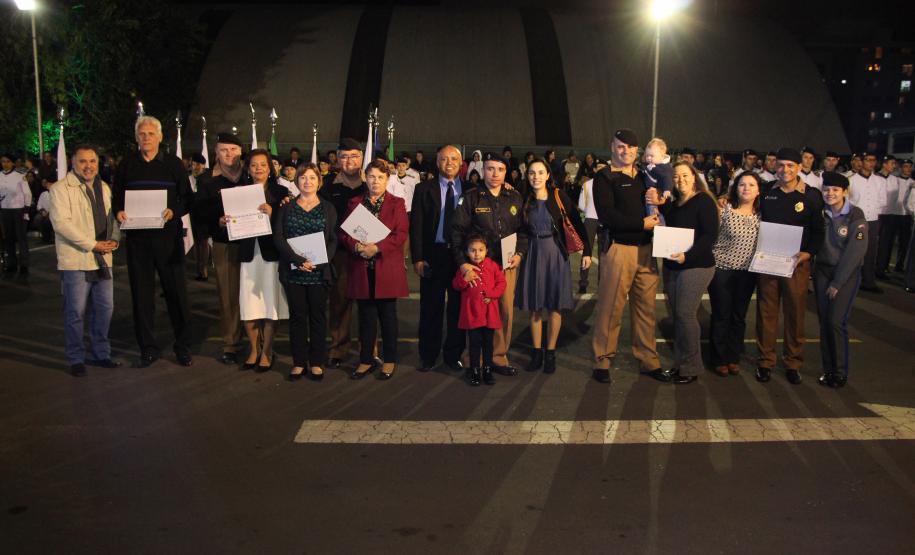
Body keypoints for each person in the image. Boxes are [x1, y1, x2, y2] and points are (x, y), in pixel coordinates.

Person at [113, 116, 193, 368]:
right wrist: (118, 212)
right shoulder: (127, 165)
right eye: (142, 134)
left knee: (176, 293)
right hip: (138, 240)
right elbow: (116, 198)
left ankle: (183, 346)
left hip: (168, 239)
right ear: (136, 138)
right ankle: (147, 347)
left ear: (160, 137)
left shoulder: (173, 164)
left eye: (150, 133)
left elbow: (187, 198)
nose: (146, 138)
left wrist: (174, 211)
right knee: (142, 295)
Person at [590, 129, 662, 384]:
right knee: (611, 309)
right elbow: (607, 215)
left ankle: (649, 360)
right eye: (621, 146)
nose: (626, 151)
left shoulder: (644, 176)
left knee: (646, 310)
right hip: (619, 249)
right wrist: (641, 224)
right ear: (612, 147)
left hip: (646, 250)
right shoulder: (604, 177)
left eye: (631, 147)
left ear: (637, 150)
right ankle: (602, 360)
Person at [450, 152, 527, 376]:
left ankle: (498, 357)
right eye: (490, 169)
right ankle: (474, 358)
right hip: (478, 266)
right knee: (476, 311)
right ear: (483, 170)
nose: (495, 174)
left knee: (504, 311)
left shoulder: (514, 197)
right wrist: (463, 264)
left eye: (500, 169)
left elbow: (523, 230)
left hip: (506, 265)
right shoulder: (471, 197)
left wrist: (520, 254)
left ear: (506, 172)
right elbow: (456, 232)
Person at [49, 145, 121, 377]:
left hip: (103, 258)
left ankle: (101, 353)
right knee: (75, 312)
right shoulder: (60, 189)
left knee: (105, 309)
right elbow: (62, 224)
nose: (88, 166)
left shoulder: (104, 187)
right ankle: (76, 358)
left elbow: (111, 218)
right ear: (73, 163)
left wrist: (114, 239)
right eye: (83, 161)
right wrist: (92, 244)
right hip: (77, 260)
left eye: (92, 161)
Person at [755, 148, 825, 384]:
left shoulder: (811, 195)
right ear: (775, 166)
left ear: (799, 167)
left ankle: (793, 363)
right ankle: (765, 361)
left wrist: (809, 253)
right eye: (781, 165)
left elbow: (818, 230)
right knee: (766, 313)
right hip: (768, 261)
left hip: (796, 263)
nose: (785, 170)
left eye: (790, 165)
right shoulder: (766, 191)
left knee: (795, 314)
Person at [646, 162, 719, 384]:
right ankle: (681, 364)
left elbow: (710, 236)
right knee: (678, 316)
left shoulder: (704, 201)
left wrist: (688, 256)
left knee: (685, 315)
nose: (680, 180)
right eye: (676, 177)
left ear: (694, 177)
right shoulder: (674, 204)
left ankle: (691, 367)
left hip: (696, 265)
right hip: (673, 265)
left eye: (685, 175)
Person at [516, 158, 591, 373]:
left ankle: (550, 352)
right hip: (533, 254)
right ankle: (536, 352)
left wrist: (587, 251)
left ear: (548, 175)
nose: (536, 177)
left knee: (554, 307)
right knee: (535, 307)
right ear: (527, 176)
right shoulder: (524, 199)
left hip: (556, 254)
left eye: (541, 172)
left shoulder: (559, 196)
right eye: (532, 173)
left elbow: (577, 222)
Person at [340, 160, 409, 380]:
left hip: (385, 266)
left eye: (380, 177)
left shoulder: (397, 203)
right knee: (366, 317)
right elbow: (344, 233)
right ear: (365, 177)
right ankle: (366, 359)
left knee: (388, 316)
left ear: (387, 179)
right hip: (362, 267)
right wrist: (356, 246)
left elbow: (401, 234)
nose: (375, 181)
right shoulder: (355, 203)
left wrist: (377, 248)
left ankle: (389, 359)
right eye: (371, 177)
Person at [411, 145, 474, 372]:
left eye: (454, 159)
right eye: (444, 159)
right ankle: (428, 355)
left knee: (457, 308)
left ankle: (453, 355)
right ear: (437, 163)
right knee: (430, 308)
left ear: (461, 163)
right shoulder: (423, 189)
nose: (449, 163)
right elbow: (416, 225)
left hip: (460, 257)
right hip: (433, 256)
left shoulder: (471, 190)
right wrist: (418, 258)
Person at [274, 163, 337, 381]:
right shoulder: (287, 207)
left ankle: (317, 362)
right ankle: (299, 362)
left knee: (318, 317)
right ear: (297, 181)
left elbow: (333, 239)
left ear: (319, 181)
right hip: (294, 271)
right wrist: (297, 260)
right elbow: (278, 237)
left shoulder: (328, 208)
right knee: (297, 317)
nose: (307, 181)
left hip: (319, 272)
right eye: (303, 177)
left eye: (312, 177)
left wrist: (319, 262)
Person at [193, 132, 250, 364]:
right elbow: (198, 212)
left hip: (253, 243)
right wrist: (216, 220)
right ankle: (231, 343)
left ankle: (258, 341)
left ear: (241, 152)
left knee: (255, 293)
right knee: (228, 296)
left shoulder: (250, 174)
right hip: (224, 243)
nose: (229, 154)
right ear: (216, 153)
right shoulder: (206, 179)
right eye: (224, 150)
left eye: (234, 149)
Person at [235, 149, 290, 371]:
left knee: (269, 304)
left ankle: (267, 351)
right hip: (248, 254)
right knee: (249, 304)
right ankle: (253, 350)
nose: (258, 168)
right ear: (248, 169)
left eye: (263, 164)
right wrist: (227, 220)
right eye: (254, 165)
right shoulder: (239, 192)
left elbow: (288, 224)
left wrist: (273, 212)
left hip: (271, 255)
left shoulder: (281, 192)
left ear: (270, 168)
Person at [814, 172, 867, 388]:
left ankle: (840, 372)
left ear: (845, 192)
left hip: (845, 274)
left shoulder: (855, 214)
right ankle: (828, 370)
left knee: (836, 321)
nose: (830, 193)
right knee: (824, 322)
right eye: (826, 189)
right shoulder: (820, 212)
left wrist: (837, 283)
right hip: (822, 271)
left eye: (835, 190)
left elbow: (855, 252)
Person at [707, 171, 761, 377]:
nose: (746, 188)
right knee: (721, 314)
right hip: (722, 270)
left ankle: (733, 356)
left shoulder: (762, 214)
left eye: (751, 185)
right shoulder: (724, 209)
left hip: (747, 273)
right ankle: (719, 358)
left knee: (739, 316)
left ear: (758, 191)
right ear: (735, 188)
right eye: (742, 184)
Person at [319, 138, 367, 368]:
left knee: (369, 303)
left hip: (367, 251)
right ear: (337, 159)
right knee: (339, 302)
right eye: (344, 157)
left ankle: (369, 348)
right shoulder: (327, 186)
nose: (349, 161)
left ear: (362, 158)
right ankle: (338, 347)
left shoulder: (372, 182)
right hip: (339, 252)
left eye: (354, 156)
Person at [453, 234, 506, 386]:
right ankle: (475, 370)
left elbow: (502, 283)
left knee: (488, 343)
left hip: (489, 312)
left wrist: (491, 294)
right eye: (473, 250)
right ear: (467, 252)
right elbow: (455, 285)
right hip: (473, 313)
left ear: (486, 251)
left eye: (480, 250)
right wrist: (464, 279)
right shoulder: (465, 268)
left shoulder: (493, 266)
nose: (477, 254)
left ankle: (487, 370)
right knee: (474, 343)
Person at [848, 152, 887, 292]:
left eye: (873, 160)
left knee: (871, 251)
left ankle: (868, 281)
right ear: (862, 162)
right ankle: (850, 280)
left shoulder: (880, 181)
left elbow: (883, 201)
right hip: (857, 221)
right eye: (868, 160)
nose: (871, 163)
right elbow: (848, 201)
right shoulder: (851, 180)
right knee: (855, 250)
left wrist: (873, 211)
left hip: (873, 221)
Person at [577, 158, 608, 293]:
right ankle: (586, 282)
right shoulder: (587, 184)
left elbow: (582, 205)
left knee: (600, 253)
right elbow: (581, 205)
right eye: (599, 167)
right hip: (593, 219)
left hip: (596, 219)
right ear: (594, 169)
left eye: (603, 167)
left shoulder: (590, 184)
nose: (601, 169)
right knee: (589, 252)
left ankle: (586, 283)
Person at [876, 156, 909, 278]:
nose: (894, 166)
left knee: (886, 243)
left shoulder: (894, 179)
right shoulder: (875, 178)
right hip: (877, 214)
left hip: (889, 215)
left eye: (894, 164)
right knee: (874, 243)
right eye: (891, 163)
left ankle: (881, 268)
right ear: (884, 164)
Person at [0, 153, 32, 275]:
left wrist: (26, 209)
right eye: (3, 161)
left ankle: (24, 265)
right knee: (8, 238)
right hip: (5, 209)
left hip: (19, 210)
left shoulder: (19, 175)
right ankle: (11, 264)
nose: (5, 164)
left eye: (8, 161)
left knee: (21, 237)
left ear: (12, 163)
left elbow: (27, 193)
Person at [187, 153, 211, 281]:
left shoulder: (208, 178)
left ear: (203, 165)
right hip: (192, 215)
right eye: (193, 164)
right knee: (196, 243)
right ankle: (199, 270)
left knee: (204, 242)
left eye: (198, 164)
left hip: (205, 215)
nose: (195, 167)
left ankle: (204, 270)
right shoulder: (188, 179)